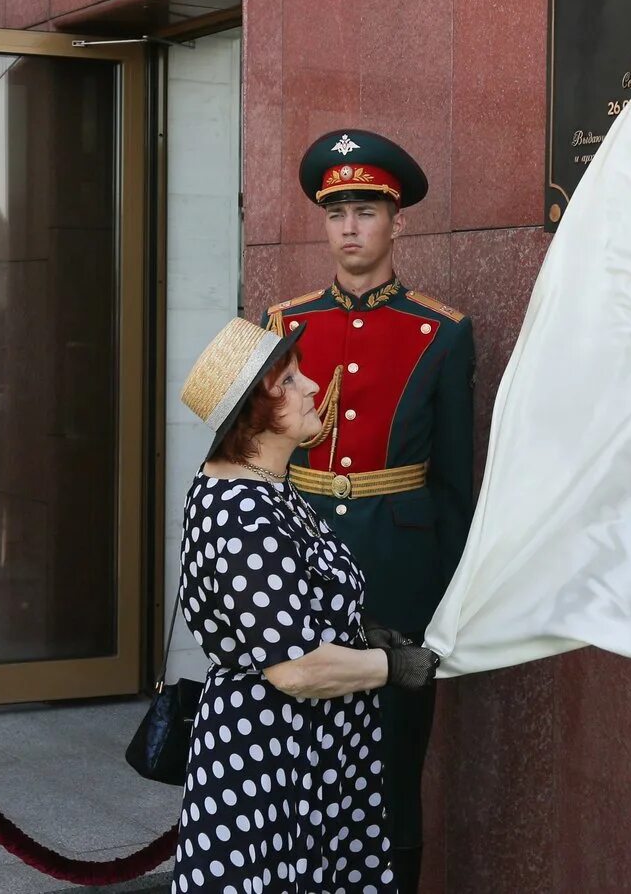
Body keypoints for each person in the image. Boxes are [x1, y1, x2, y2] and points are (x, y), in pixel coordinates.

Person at [265, 127, 475, 890]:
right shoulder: (282, 325)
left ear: (398, 222)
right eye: (336, 212)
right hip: (297, 560)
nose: (349, 227)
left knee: (391, 763)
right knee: (295, 752)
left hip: (399, 570)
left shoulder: (443, 333)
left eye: (366, 210)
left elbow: (456, 483)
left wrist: (449, 601)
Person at [173, 315, 442, 893]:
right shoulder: (241, 514)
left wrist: (360, 631)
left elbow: (301, 603)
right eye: (289, 382)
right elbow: (295, 669)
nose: (313, 386)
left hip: (314, 754)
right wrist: (393, 667)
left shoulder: (268, 486)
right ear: (253, 415)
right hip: (271, 765)